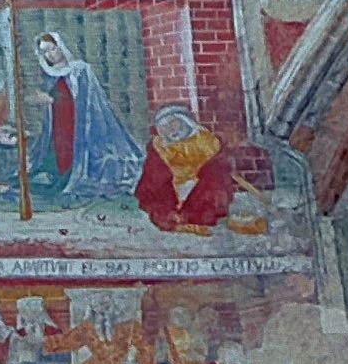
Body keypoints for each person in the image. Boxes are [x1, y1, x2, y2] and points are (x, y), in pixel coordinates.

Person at [33, 29, 147, 201]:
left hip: (79, 121)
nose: (49, 54)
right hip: (58, 123)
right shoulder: (49, 75)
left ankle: (76, 177)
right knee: (59, 151)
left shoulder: (80, 70)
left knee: (78, 152)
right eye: (44, 52)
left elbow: (88, 99)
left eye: (52, 48)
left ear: (61, 46)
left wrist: (55, 100)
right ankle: (61, 177)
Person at [135, 101, 248, 232]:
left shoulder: (206, 141)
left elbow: (219, 170)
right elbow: (153, 177)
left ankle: (196, 216)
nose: (171, 130)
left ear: (185, 122)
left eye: (174, 123)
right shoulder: (159, 147)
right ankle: (174, 218)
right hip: (172, 190)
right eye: (165, 127)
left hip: (201, 189)